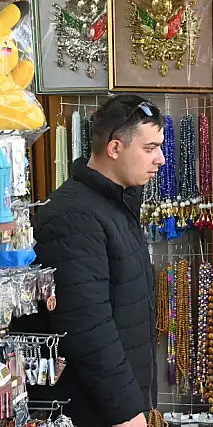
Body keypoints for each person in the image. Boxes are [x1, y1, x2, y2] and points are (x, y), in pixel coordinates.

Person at [11, 95, 164, 427]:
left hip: (111, 402)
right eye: (150, 148)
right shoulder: (72, 216)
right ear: (114, 148)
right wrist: (126, 411)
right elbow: (87, 328)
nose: (161, 159)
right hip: (88, 408)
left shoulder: (115, 204)